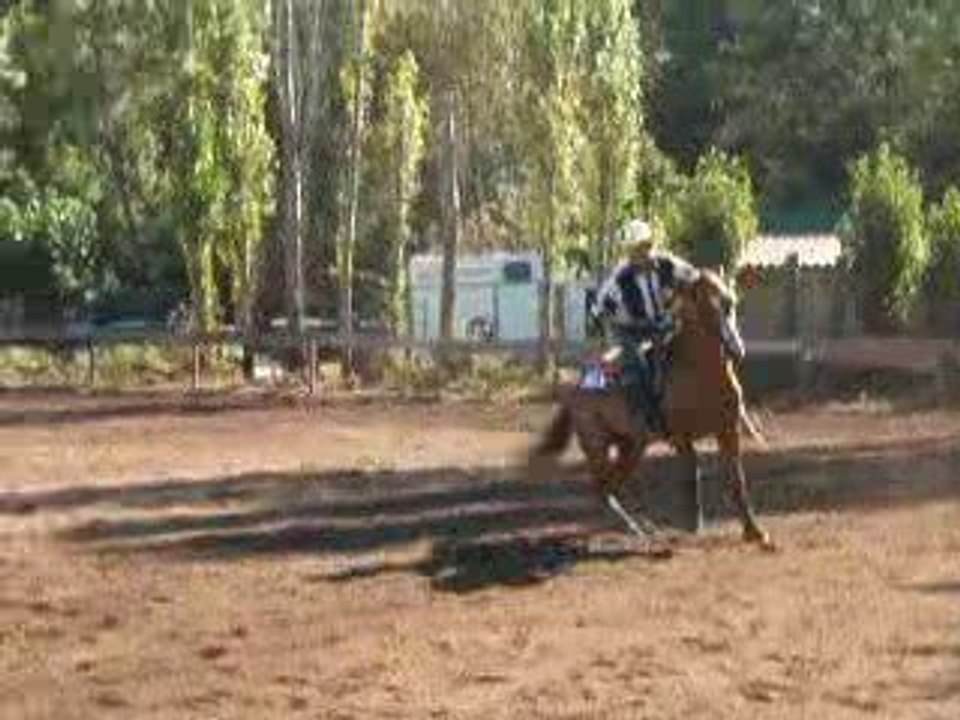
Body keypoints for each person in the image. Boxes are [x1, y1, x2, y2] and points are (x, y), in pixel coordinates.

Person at [591, 219, 701, 432]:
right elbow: (598, 308)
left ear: (651, 244)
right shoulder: (620, 277)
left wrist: (680, 301)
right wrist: (614, 327)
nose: (638, 254)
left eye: (643, 247)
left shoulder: (668, 263)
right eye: (633, 250)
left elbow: (695, 277)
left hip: (663, 324)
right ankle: (649, 417)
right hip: (630, 332)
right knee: (639, 365)